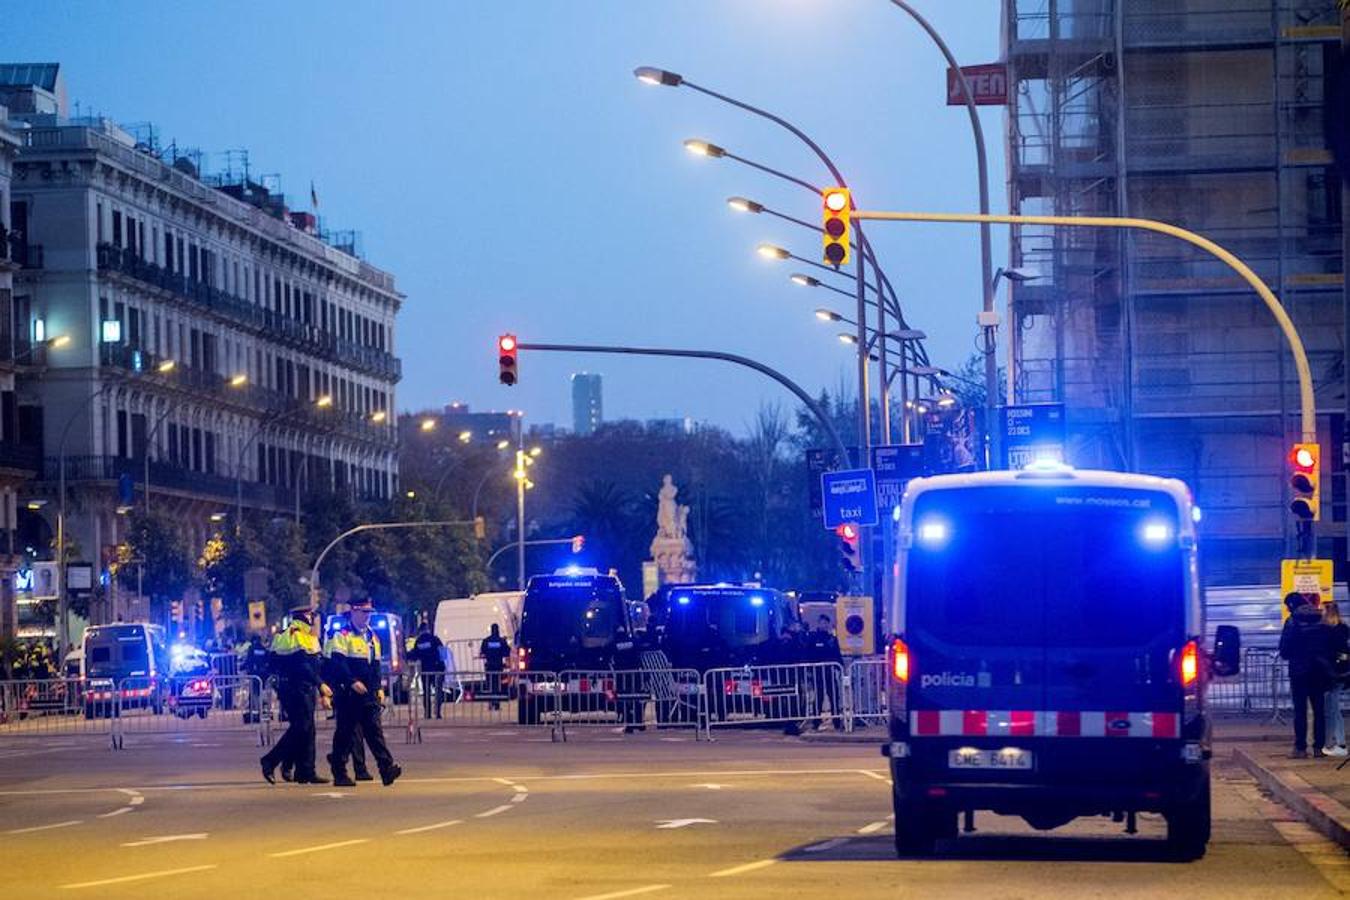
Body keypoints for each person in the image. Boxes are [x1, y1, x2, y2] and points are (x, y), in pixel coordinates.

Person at [323, 599, 401, 787]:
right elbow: (338, 663)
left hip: (368, 693)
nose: (367, 616)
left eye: (369, 613)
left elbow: (375, 667)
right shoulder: (342, 635)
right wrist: (351, 682)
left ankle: (386, 768)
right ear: (354, 612)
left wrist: (379, 688)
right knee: (345, 734)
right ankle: (339, 772)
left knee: (375, 731)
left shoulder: (372, 637)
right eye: (364, 613)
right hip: (349, 694)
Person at [260, 604, 329, 785]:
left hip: (298, 688)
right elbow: (303, 666)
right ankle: (271, 761)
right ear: (304, 616)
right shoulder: (297, 636)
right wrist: (320, 684)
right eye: (311, 615)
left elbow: (315, 665)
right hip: (296, 688)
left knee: (307, 729)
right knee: (302, 728)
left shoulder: (298, 636)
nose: (313, 619)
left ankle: (305, 771)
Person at [1279, 592, 1333, 758]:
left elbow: (1284, 649)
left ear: (1292, 605)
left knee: (1300, 711)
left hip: (1299, 671)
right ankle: (1319, 748)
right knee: (1319, 711)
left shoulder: (1292, 622)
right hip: (1319, 670)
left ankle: (1300, 748)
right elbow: (1330, 645)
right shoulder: (1322, 620)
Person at [806, 615, 844, 731]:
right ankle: (816, 722)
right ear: (818, 623)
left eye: (826, 623)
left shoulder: (832, 639)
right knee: (818, 697)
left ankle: (837, 721)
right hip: (817, 673)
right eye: (822, 623)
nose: (824, 625)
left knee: (834, 697)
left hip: (829, 671)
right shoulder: (813, 638)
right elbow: (809, 655)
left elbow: (837, 654)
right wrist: (809, 671)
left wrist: (840, 668)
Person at [1323, 601, 1350, 758]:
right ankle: (1335, 742)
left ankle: (1340, 743)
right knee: (1332, 708)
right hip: (1340, 673)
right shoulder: (1343, 628)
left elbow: (1342, 653)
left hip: (1334, 674)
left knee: (1332, 709)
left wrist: (1334, 665)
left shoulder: (1332, 631)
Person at [410, 622, 446, 720]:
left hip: (425, 670)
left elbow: (415, 655)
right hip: (437, 669)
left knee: (426, 692)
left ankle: (427, 713)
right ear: (427, 629)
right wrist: (443, 665)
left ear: (420, 631)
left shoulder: (418, 641)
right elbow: (442, 652)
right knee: (438, 691)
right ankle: (437, 713)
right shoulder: (435, 639)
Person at [480, 624, 511, 711]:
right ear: (498, 630)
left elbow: (482, 652)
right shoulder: (501, 641)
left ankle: (490, 703)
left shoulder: (486, 641)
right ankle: (496, 704)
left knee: (490, 685)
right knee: (497, 685)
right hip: (498, 666)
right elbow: (507, 652)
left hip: (489, 666)